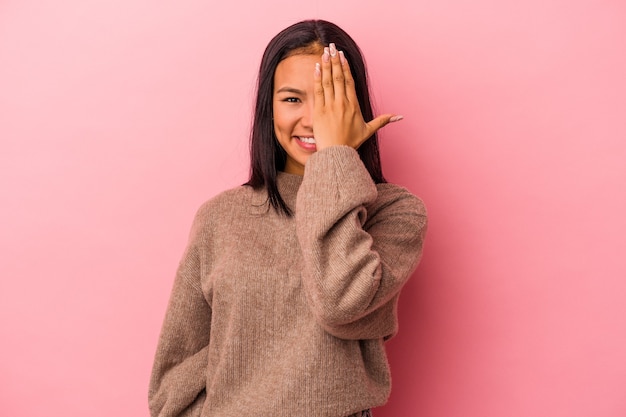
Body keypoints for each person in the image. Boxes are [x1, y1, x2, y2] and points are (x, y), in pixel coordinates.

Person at [149, 19, 427, 417]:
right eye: (293, 99)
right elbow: (174, 375)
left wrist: (334, 159)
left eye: (330, 99)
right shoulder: (220, 216)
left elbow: (340, 303)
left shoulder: (394, 212)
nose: (314, 120)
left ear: (356, 106)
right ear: (269, 106)